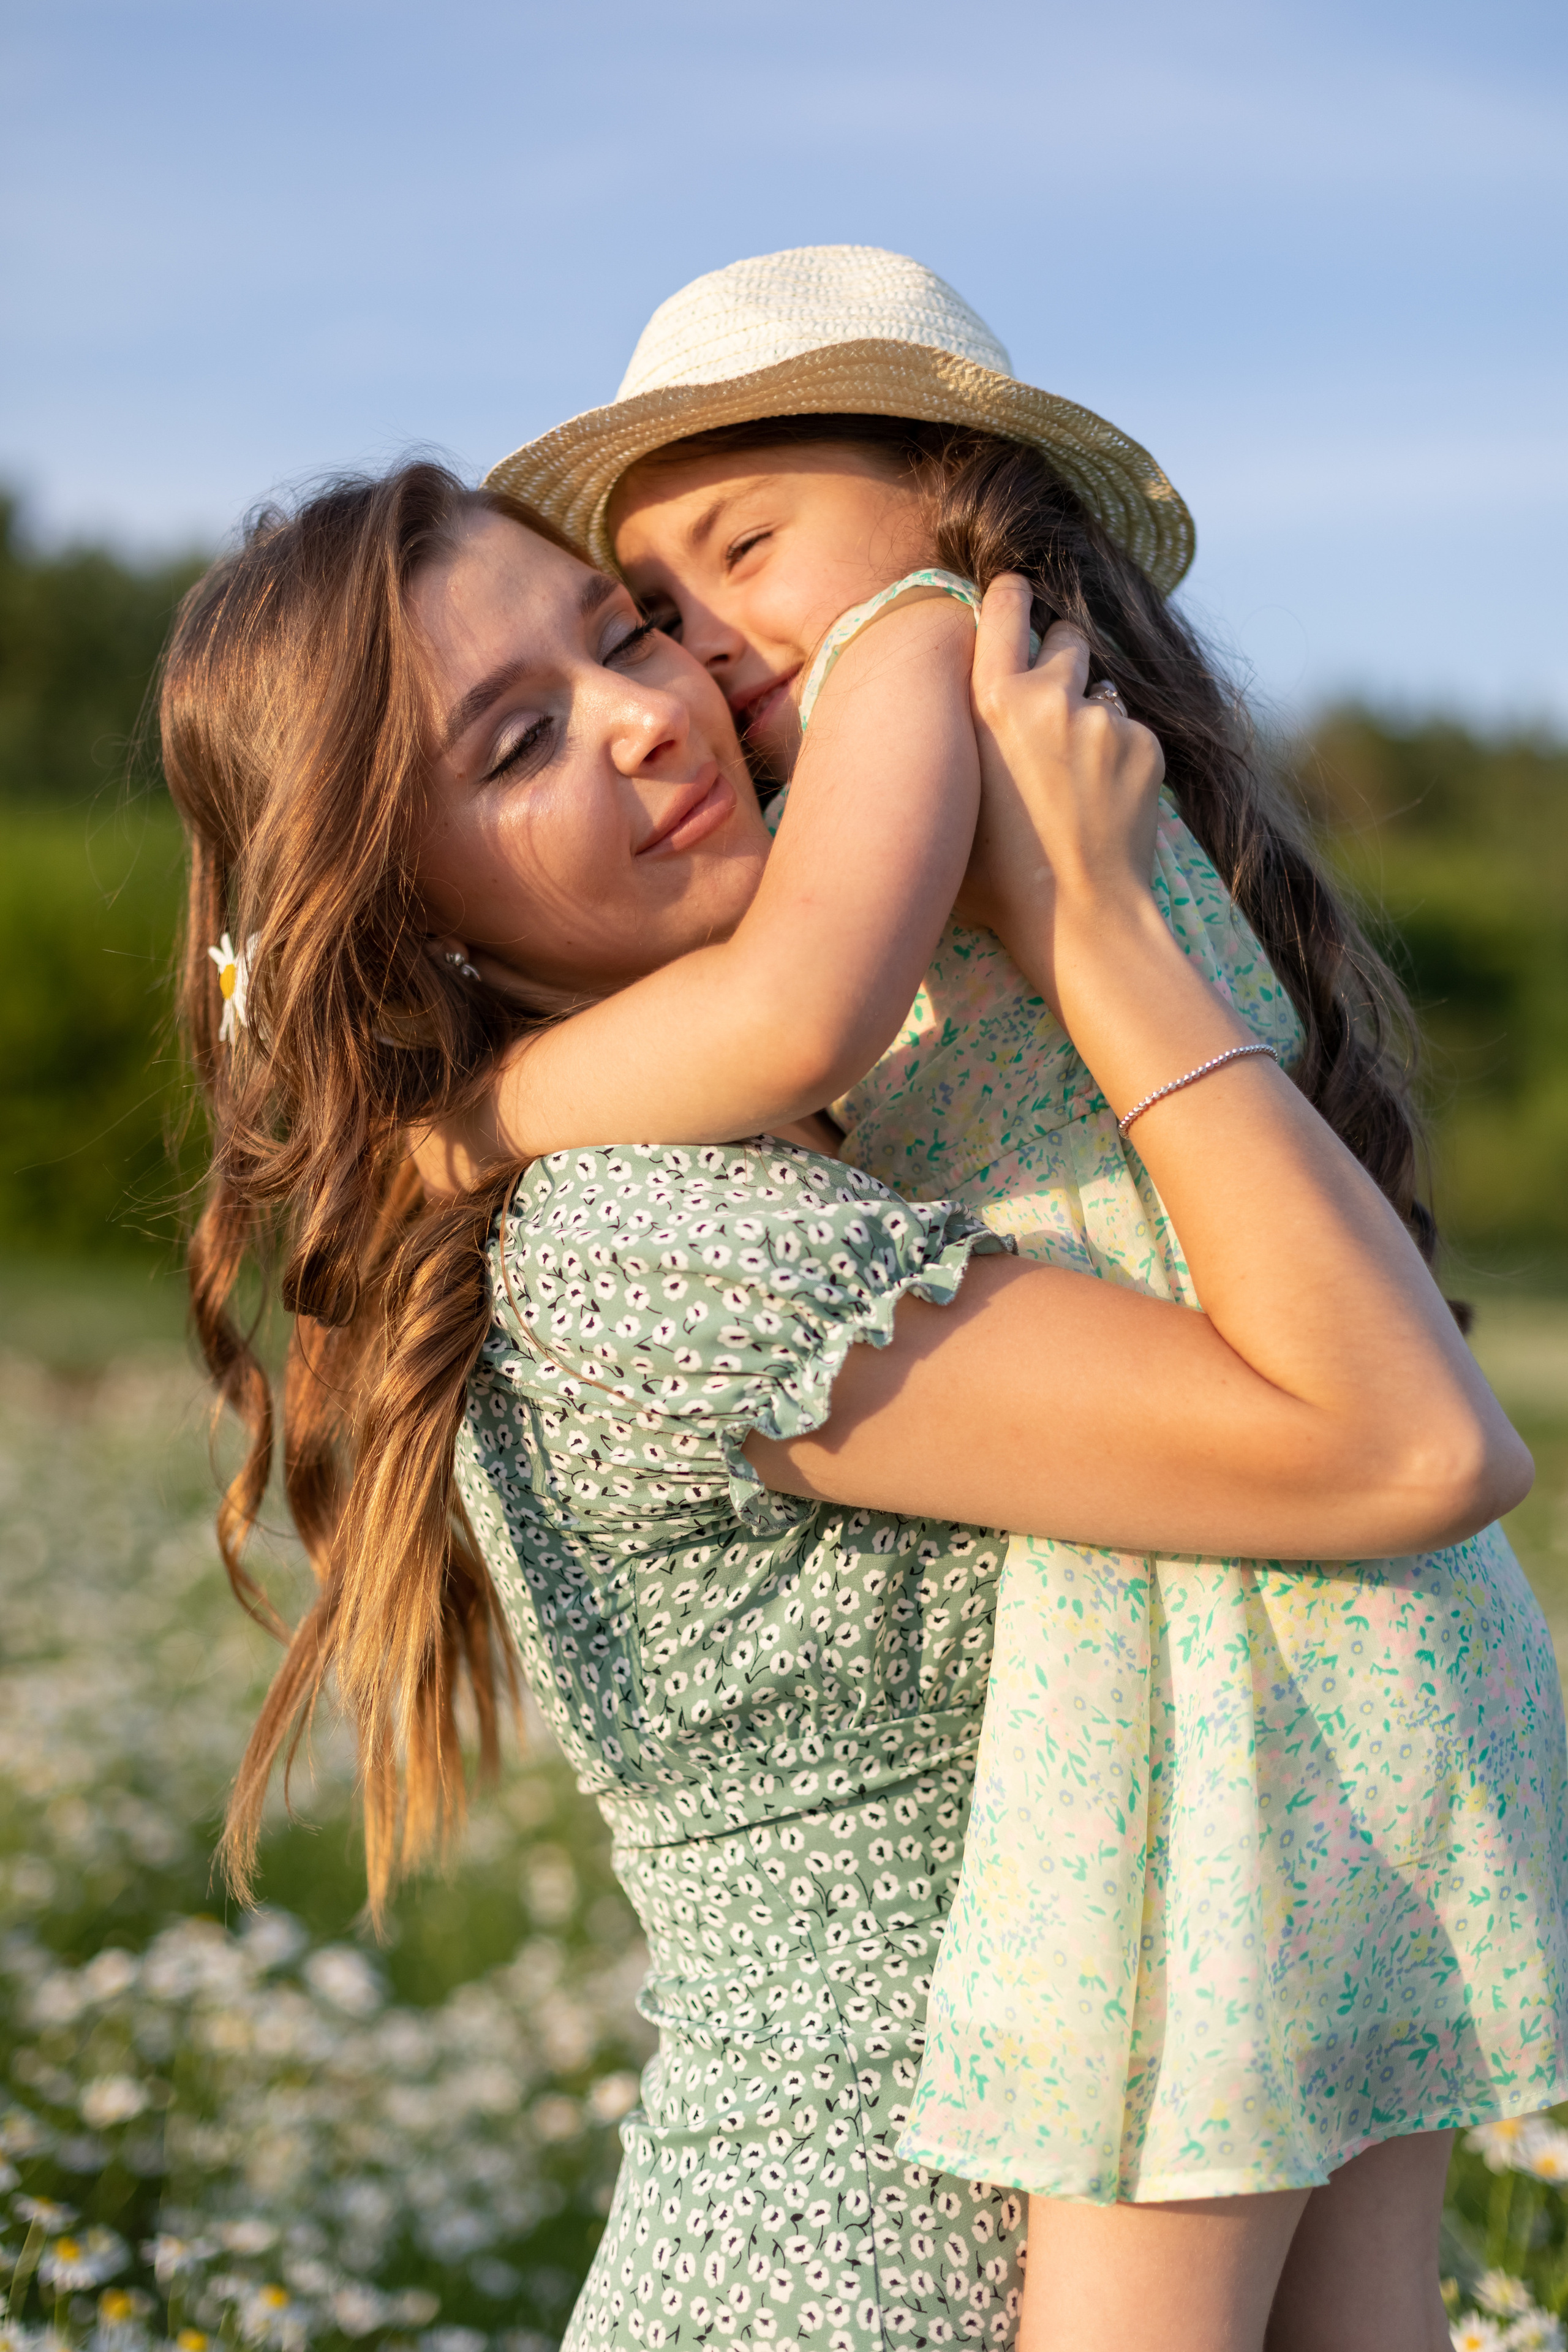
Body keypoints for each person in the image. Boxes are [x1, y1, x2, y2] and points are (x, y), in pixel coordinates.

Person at [164, 454, 1539, 2352]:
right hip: (855, 2283)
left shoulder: (841, 1136)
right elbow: (1413, 1446)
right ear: (413, 922)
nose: (655, 718)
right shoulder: (648, 1239)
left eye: (623, 630)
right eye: (516, 746)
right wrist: (1100, 925)